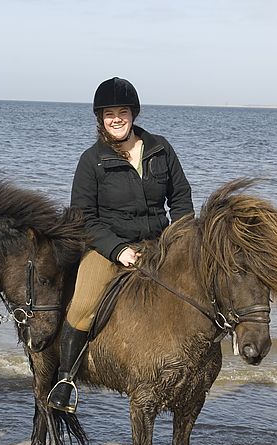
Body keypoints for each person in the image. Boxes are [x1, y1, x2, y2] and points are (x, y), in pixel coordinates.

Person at [47, 77, 194, 412]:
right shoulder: (91, 160)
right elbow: (83, 217)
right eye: (109, 113)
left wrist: (179, 239)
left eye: (122, 112)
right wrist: (118, 250)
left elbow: (181, 200)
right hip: (108, 248)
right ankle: (66, 380)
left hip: (159, 244)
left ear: (133, 114)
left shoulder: (161, 149)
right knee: (83, 304)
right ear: (100, 118)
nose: (116, 118)